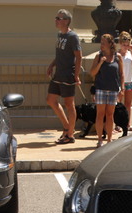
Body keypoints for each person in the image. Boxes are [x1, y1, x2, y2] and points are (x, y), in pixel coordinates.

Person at [46, 9, 82, 144]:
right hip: (58, 73)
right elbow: (60, 54)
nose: (56, 20)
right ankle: (67, 127)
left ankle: (69, 134)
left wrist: (76, 75)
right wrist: (51, 65)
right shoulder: (60, 35)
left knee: (69, 104)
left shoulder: (73, 37)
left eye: (59, 18)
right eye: (56, 18)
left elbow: (79, 56)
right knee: (50, 100)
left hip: (68, 74)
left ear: (66, 21)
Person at [90, 34, 124, 146]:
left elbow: (121, 74)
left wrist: (122, 88)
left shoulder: (117, 57)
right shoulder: (98, 56)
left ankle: (109, 139)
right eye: (101, 43)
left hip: (113, 89)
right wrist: (100, 62)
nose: (102, 45)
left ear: (110, 44)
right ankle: (100, 139)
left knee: (110, 115)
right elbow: (92, 73)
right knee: (100, 114)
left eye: (104, 43)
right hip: (100, 89)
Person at [117, 31, 132, 132]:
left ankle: (128, 124)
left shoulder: (130, 54)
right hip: (121, 81)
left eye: (127, 45)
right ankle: (118, 124)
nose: (126, 47)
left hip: (130, 80)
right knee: (118, 104)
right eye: (124, 45)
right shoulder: (117, 55)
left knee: (128, 104)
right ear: (120, 44)